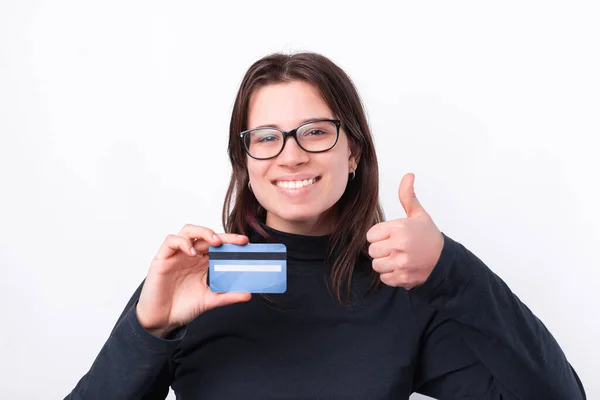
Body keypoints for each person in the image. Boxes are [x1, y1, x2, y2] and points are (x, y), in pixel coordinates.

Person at [65, 52, 586, 399]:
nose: (289, 156)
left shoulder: (397, 291)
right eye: (266, 137)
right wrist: (148, 329)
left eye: (314, 131)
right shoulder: (199, 279)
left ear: (354, 151)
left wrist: (450, 268)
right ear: (245, 159)